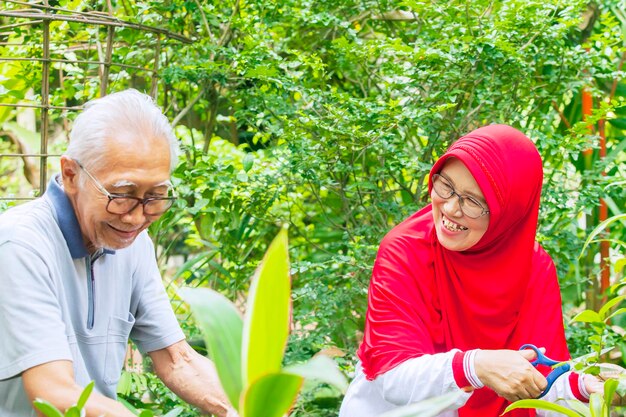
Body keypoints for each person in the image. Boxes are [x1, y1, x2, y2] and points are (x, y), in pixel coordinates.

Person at [339, 125, 603, 417]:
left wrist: (584, 389)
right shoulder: (404, 250)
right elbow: (393, 378)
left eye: (474, 201)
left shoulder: (535, 268)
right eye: (445, 186)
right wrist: (475, 366)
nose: (450, 208)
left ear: (508, 212)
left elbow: (539, 377)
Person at [0, 89, 236, 417]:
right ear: (71, 174)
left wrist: (244, 405)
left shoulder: (132, 243)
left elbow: (176, 359)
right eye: (122, 194)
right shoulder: (19, 244)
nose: (137, 218)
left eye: (156, 196)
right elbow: (53, 394)